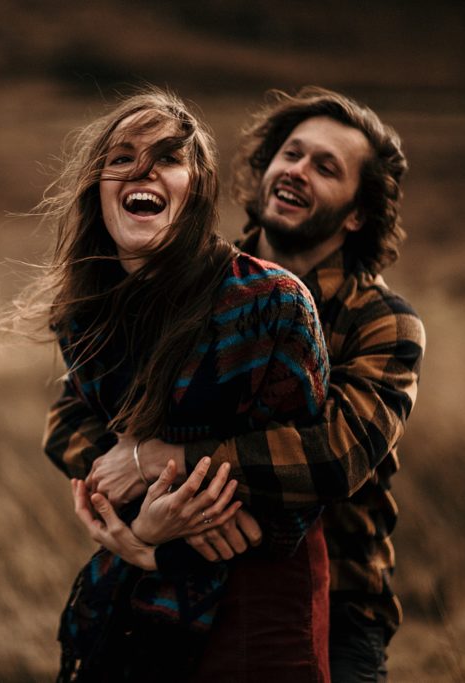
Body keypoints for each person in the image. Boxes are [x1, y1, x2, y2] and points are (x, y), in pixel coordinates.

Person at [54, 87, 425, 682]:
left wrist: (159, 460)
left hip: (336, 592)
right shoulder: (196, 277)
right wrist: (133, 503)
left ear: (358, 212)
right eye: (291, 154)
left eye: (325, 167)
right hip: (176, 555)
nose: (297, 171)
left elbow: (333, 453)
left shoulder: (381, 319)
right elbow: (70, 418)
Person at [0, 87, 333, 680]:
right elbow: (73, 426)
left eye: (168, 158)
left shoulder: (270, 301)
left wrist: (155, 495)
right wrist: (137, 532)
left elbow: (313, 466)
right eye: (121, 159)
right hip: (141, 586)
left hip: (259, 595)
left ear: (197, 188)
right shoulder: (84, 313)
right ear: (97, 188)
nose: (142, 170)